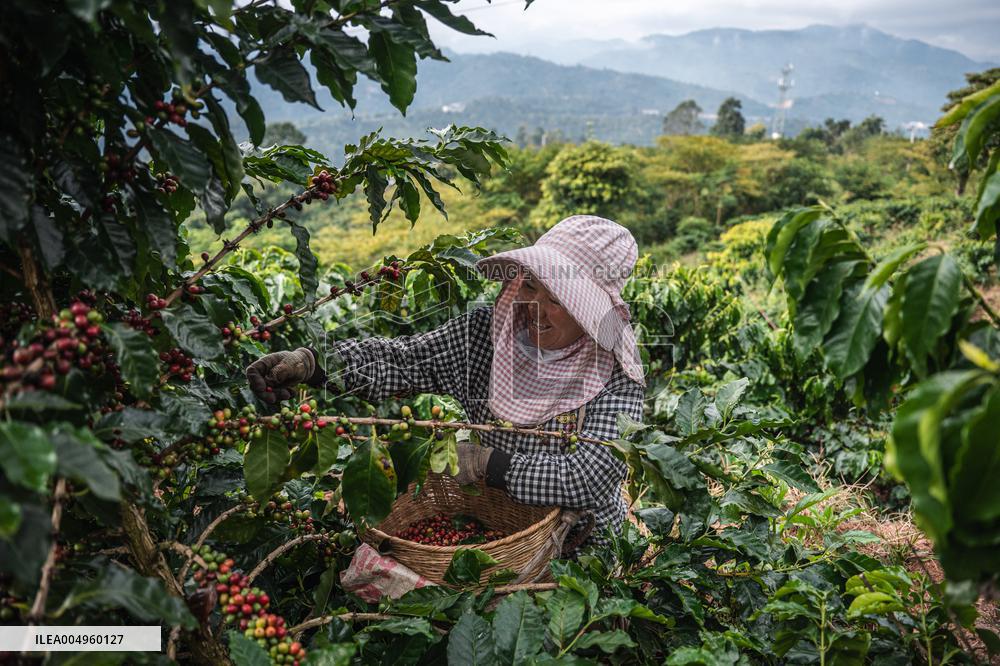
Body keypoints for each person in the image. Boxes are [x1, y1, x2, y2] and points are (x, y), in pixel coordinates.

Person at [245, 215, 646, 548]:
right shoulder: (484, 338)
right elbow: (403, 360)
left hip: (582, 549)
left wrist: (489, 463)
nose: (533, 309)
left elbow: (589, 477)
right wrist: (314, 365)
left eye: (557, 300)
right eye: (529, 285)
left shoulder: (615, 375)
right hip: (494, 532)